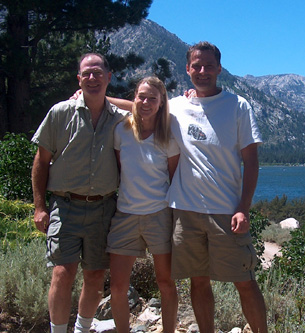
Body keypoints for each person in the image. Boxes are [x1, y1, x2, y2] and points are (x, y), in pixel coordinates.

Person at [166, 41, 268, 333]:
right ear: (187, 70)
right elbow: (140, 105)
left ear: (219, 69)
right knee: (198, 281)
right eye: (196, 66)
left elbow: (251, 161)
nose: (202, 71)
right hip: (185, 212)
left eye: (208, 65)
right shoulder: (176, 106)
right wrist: (90, 96)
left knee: (244, 281)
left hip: (226, 211)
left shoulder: (238, 106)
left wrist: (243, 208)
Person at [31, 53, 129, 333]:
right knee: (62, 273)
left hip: (104, 208)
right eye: (86, 73)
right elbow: (41, 161)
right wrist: (40, 208)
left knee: (96, 276)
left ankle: (83, 329)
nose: (92, 78)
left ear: (109, 77)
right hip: (66, 205)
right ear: (78, 79)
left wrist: (106, 101)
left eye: (98, 73)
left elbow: (147, 108)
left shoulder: (119, 119)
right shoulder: (61, 113)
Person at [107, 76, 180, 332]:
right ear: (134, 98)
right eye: (141, 97)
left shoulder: (168, 136)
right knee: (117, 286)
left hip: (158, 215)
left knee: (166, 283)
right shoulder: (121, 130)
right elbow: (120, 169)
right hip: (125, 215)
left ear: (161, 103)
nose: (146, 102)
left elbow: (174, 178)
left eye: (152, 98)